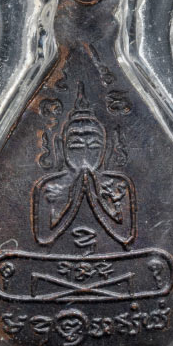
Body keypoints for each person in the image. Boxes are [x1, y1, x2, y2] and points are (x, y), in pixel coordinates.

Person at [31, 82, 136, 248]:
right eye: (76, 145)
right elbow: (44, 237)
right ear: (61, 148)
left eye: (94, 145)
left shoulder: (118, 184)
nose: (85, 153)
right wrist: (74, 197)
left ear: (107, 148)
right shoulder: (49, 186)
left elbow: (125, 237)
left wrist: (94, 195)